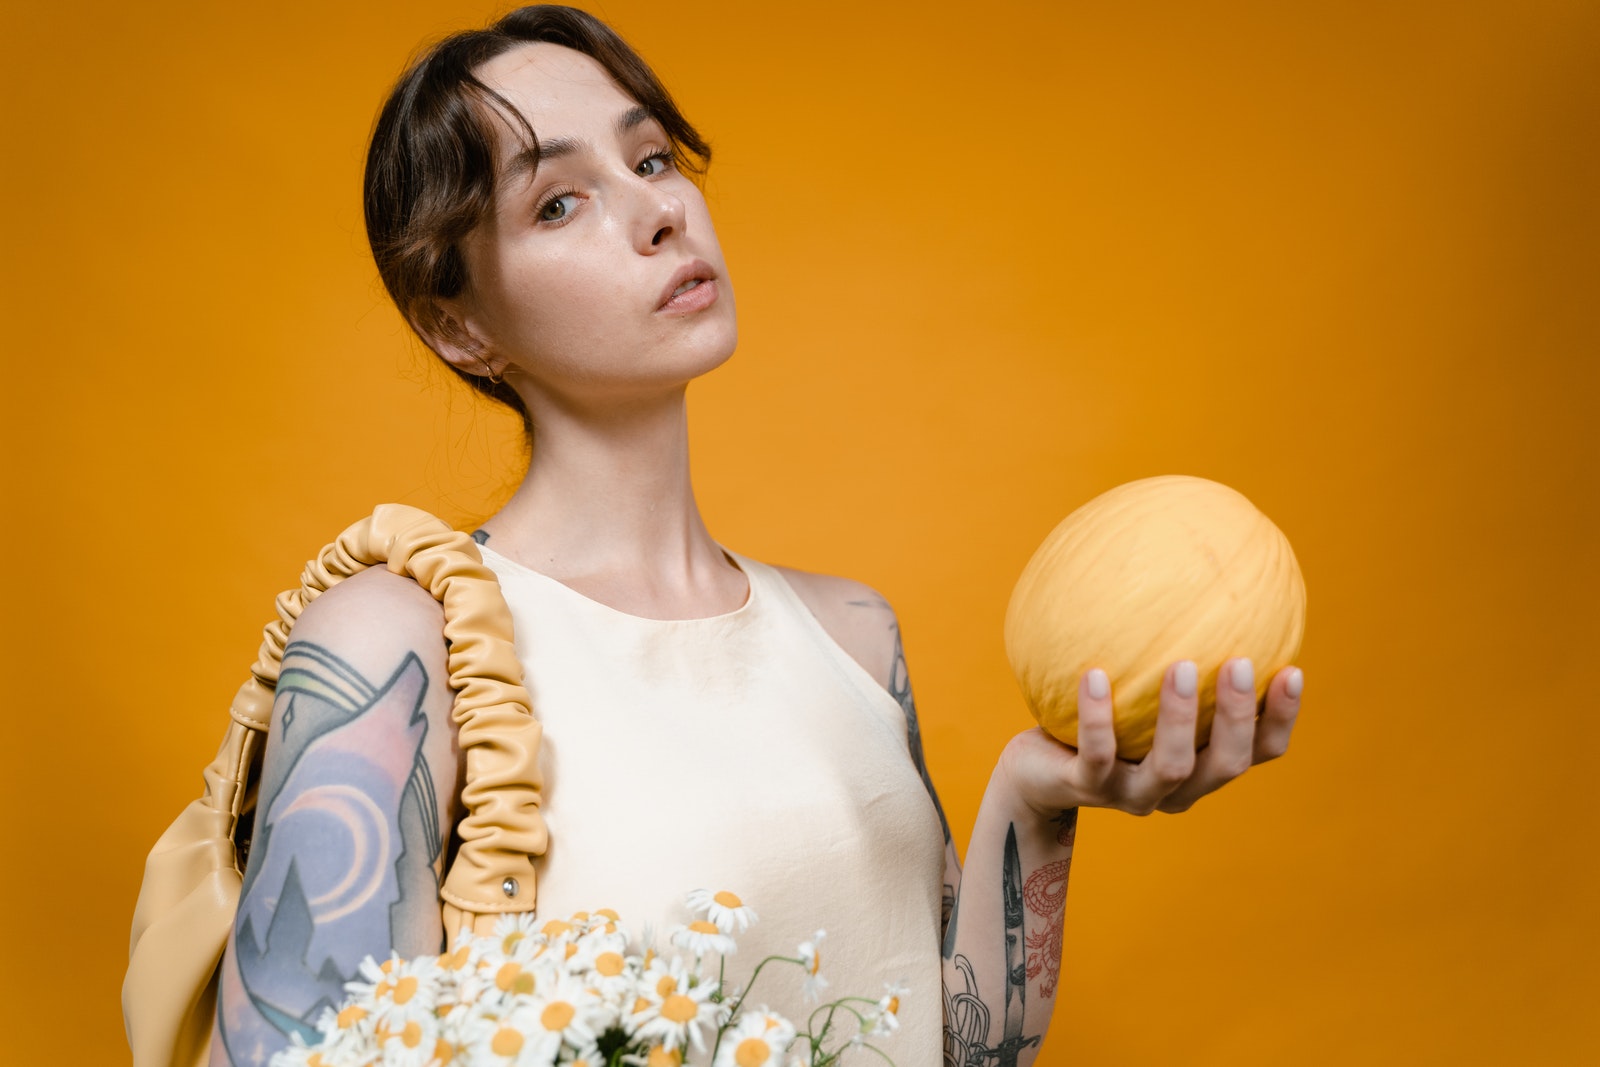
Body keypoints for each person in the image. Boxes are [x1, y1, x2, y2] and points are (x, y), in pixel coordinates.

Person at [210, 6, 1304, 1065]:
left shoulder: (854, 633)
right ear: (458, 325)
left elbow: (947, 1048)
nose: (658, 212)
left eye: (651, 159)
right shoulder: (402, 648)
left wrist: (1039, 797)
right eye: (557, 202)